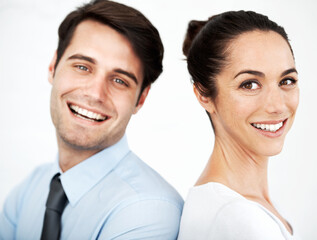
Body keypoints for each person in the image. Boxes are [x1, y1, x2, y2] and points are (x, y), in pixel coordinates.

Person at [0, 0, 183, 239]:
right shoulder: (30, 188)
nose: (95, 94)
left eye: (120, 80)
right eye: (82, 67)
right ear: (53, 67)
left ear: (140, 99)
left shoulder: (148, 211)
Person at [178, 11, 299, 240]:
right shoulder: (237, 218)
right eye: (250, 84)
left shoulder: (242, 205)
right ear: (204, 95)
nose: (277, 105)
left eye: (287, 81)